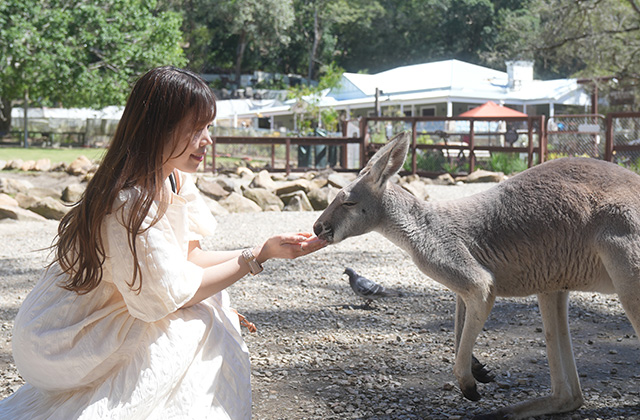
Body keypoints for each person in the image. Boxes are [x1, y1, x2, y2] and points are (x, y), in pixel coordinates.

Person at [0, 66, 326, 419]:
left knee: (211, 308)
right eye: (196, 129)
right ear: (160, 128)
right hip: (58, 337)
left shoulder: (172, 176)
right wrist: (254, 258)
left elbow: (192, 258)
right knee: (200, 326)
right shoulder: (128, 202)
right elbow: (169, 298)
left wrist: (269, 250)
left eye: (208, 128)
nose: (208, 140)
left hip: (100, 317)